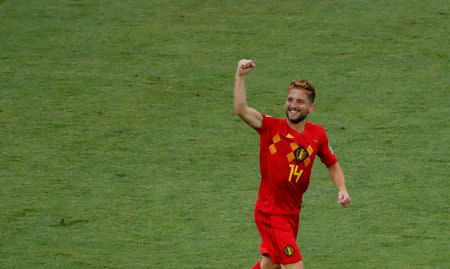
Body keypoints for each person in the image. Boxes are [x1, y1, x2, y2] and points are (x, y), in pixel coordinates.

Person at [234, 59, 351, 269]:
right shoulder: (270, 127)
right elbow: (241, 110)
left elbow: (332, 164)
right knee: (294, 266)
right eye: (290, 100)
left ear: (311, 107)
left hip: (292, 213)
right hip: (270, 213)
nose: (293, 105)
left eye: (299, 101)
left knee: (271, 265)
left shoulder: (318, 134)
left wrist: (342, 189)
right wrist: (240, 77)